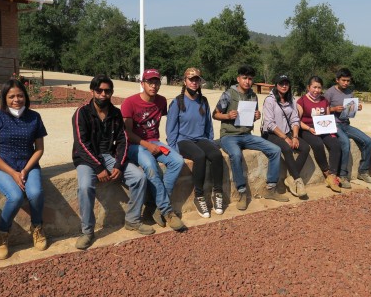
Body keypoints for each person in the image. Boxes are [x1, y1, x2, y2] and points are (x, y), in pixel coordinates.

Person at [72, 75, 155, 250]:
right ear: (92, 92)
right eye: (99, 90)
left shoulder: (116, 113)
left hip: (109, 156)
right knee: (86, 186)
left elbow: (123, 140)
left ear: (111, 93)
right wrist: (99, 167)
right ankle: (87, 231)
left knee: (139, 177)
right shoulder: (82, 113)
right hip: (87, 159)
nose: (103, 94)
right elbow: (81, 144)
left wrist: (118, 165)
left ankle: (133, 220)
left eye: (107, 91)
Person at [0, 78, 48, 259]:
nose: (16, 100)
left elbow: (40, 149)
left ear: (25, 97)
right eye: (11, 96)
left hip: (28, 165)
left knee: (35, 193)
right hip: (1, 168)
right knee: (16, 196)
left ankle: (37, 228)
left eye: (20, 95)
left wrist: (26, 170)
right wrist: (12, 173)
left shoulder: (34, 117)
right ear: (4, 98)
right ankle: (2, 234)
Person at [213, 65, 285, 211]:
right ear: (238, 78)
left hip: (246, 135)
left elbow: (249, 119)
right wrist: (227, 116)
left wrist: (255, 117)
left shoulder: (253, 96)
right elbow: (215, 114)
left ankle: (271, 188)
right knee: (236, 154)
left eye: (250, 79)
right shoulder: (228, 94)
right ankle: (242, 192)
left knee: (275, 150)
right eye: (244, 78)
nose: (247, 81)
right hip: (229, 135)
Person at [122, 69, 186, 231]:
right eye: (150, 82)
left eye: (156, 82)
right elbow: (127, 133)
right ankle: (167, 211)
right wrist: (147, 145)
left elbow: (173, 119)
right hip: (134, 145)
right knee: (151, 166)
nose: (153, 85)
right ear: (142, 83)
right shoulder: (129, 103)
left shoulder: (161, 101)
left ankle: (157, 207)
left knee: (178, 161)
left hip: (155, 141)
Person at [166, 68, 225, 218]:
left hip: (201, 138)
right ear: (185, 81)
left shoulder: (203, 101)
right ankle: (199, 196)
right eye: (190, 79)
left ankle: (218, 192)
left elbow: (208, 125)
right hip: (183, 140)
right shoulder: (177, 102)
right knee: (199, 156)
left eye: (196, 80)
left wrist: (210, 142)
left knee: (216, 155)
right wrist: (173, 148)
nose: (194, 82)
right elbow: (171, 128)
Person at [324, 68, 371, 186]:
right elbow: (322, 109)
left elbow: (350, 110)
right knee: (345, 143)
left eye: (348, 81)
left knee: (367, 141)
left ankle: (363, 171)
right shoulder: (329, 92)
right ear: (337, 80)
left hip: (346, 124)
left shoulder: (350, 92)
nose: (346, 83)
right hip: (334, 124)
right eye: (343, 80)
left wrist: (356, 107)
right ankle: (343, 175)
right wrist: (333, 109)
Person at [261, 74, 309, 198]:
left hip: (287, 132)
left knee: (305, 148)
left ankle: (291, 178)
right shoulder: (269, 100)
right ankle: (298, 181)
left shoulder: (291, 100)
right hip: (271, 133)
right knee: (287, 148)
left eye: (286, 83)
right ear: (276, 85)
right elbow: (269, 123)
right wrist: (285, 137)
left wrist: (295, 136)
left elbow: (294, 119)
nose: (284, 86)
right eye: (281, 83)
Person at [296, 76, 342, 193]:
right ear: (308, 87)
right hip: (306, 129)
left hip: (322, 127)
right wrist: (309, 129)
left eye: (319, 87)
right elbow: (297, 120)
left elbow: (327, 117)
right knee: (317, 144)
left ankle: (332, 174)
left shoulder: (324, 100)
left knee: (335, 144)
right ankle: (326, 172)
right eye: (314, 87)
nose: (316, 90)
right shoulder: (301, 101)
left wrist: (331, 130)